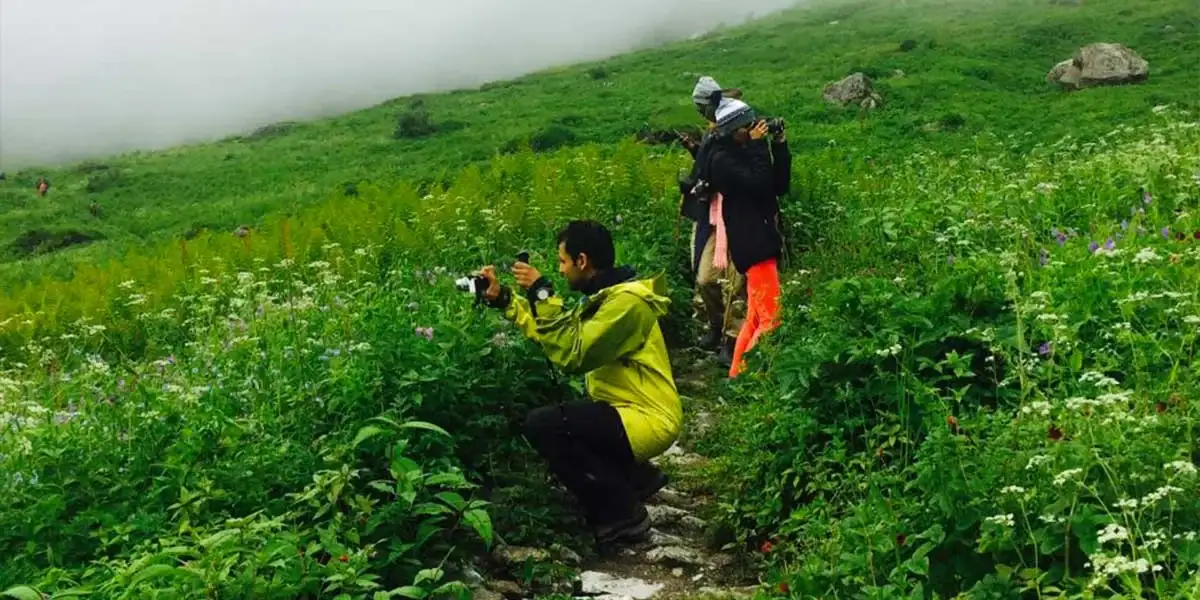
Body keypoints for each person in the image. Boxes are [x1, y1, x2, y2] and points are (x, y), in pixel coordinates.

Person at [477, 220, 682, 545]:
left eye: (562, 261)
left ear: (582, 261)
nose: (560, 270)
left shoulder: (626, 305)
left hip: (647, 417)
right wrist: (506, 300)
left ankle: (622, 513)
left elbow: (574, 354)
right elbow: (558, 336)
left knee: (546, 425)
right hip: (626, 411)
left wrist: (542, 292)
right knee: (570, 419)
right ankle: (633, 477)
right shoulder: (607, 298)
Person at [705, 97, 790, 378]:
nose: (754, 130)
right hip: (753, 243)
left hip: (759, 239)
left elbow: (777, 186)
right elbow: (757, 183)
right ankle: (750, 376)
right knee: (771, 319)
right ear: (733, 130)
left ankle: (736, 372)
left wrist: (778, 147)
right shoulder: (722, 159)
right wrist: (756, 146)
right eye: (748, 127)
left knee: (755, 317)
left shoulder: (741, 151)